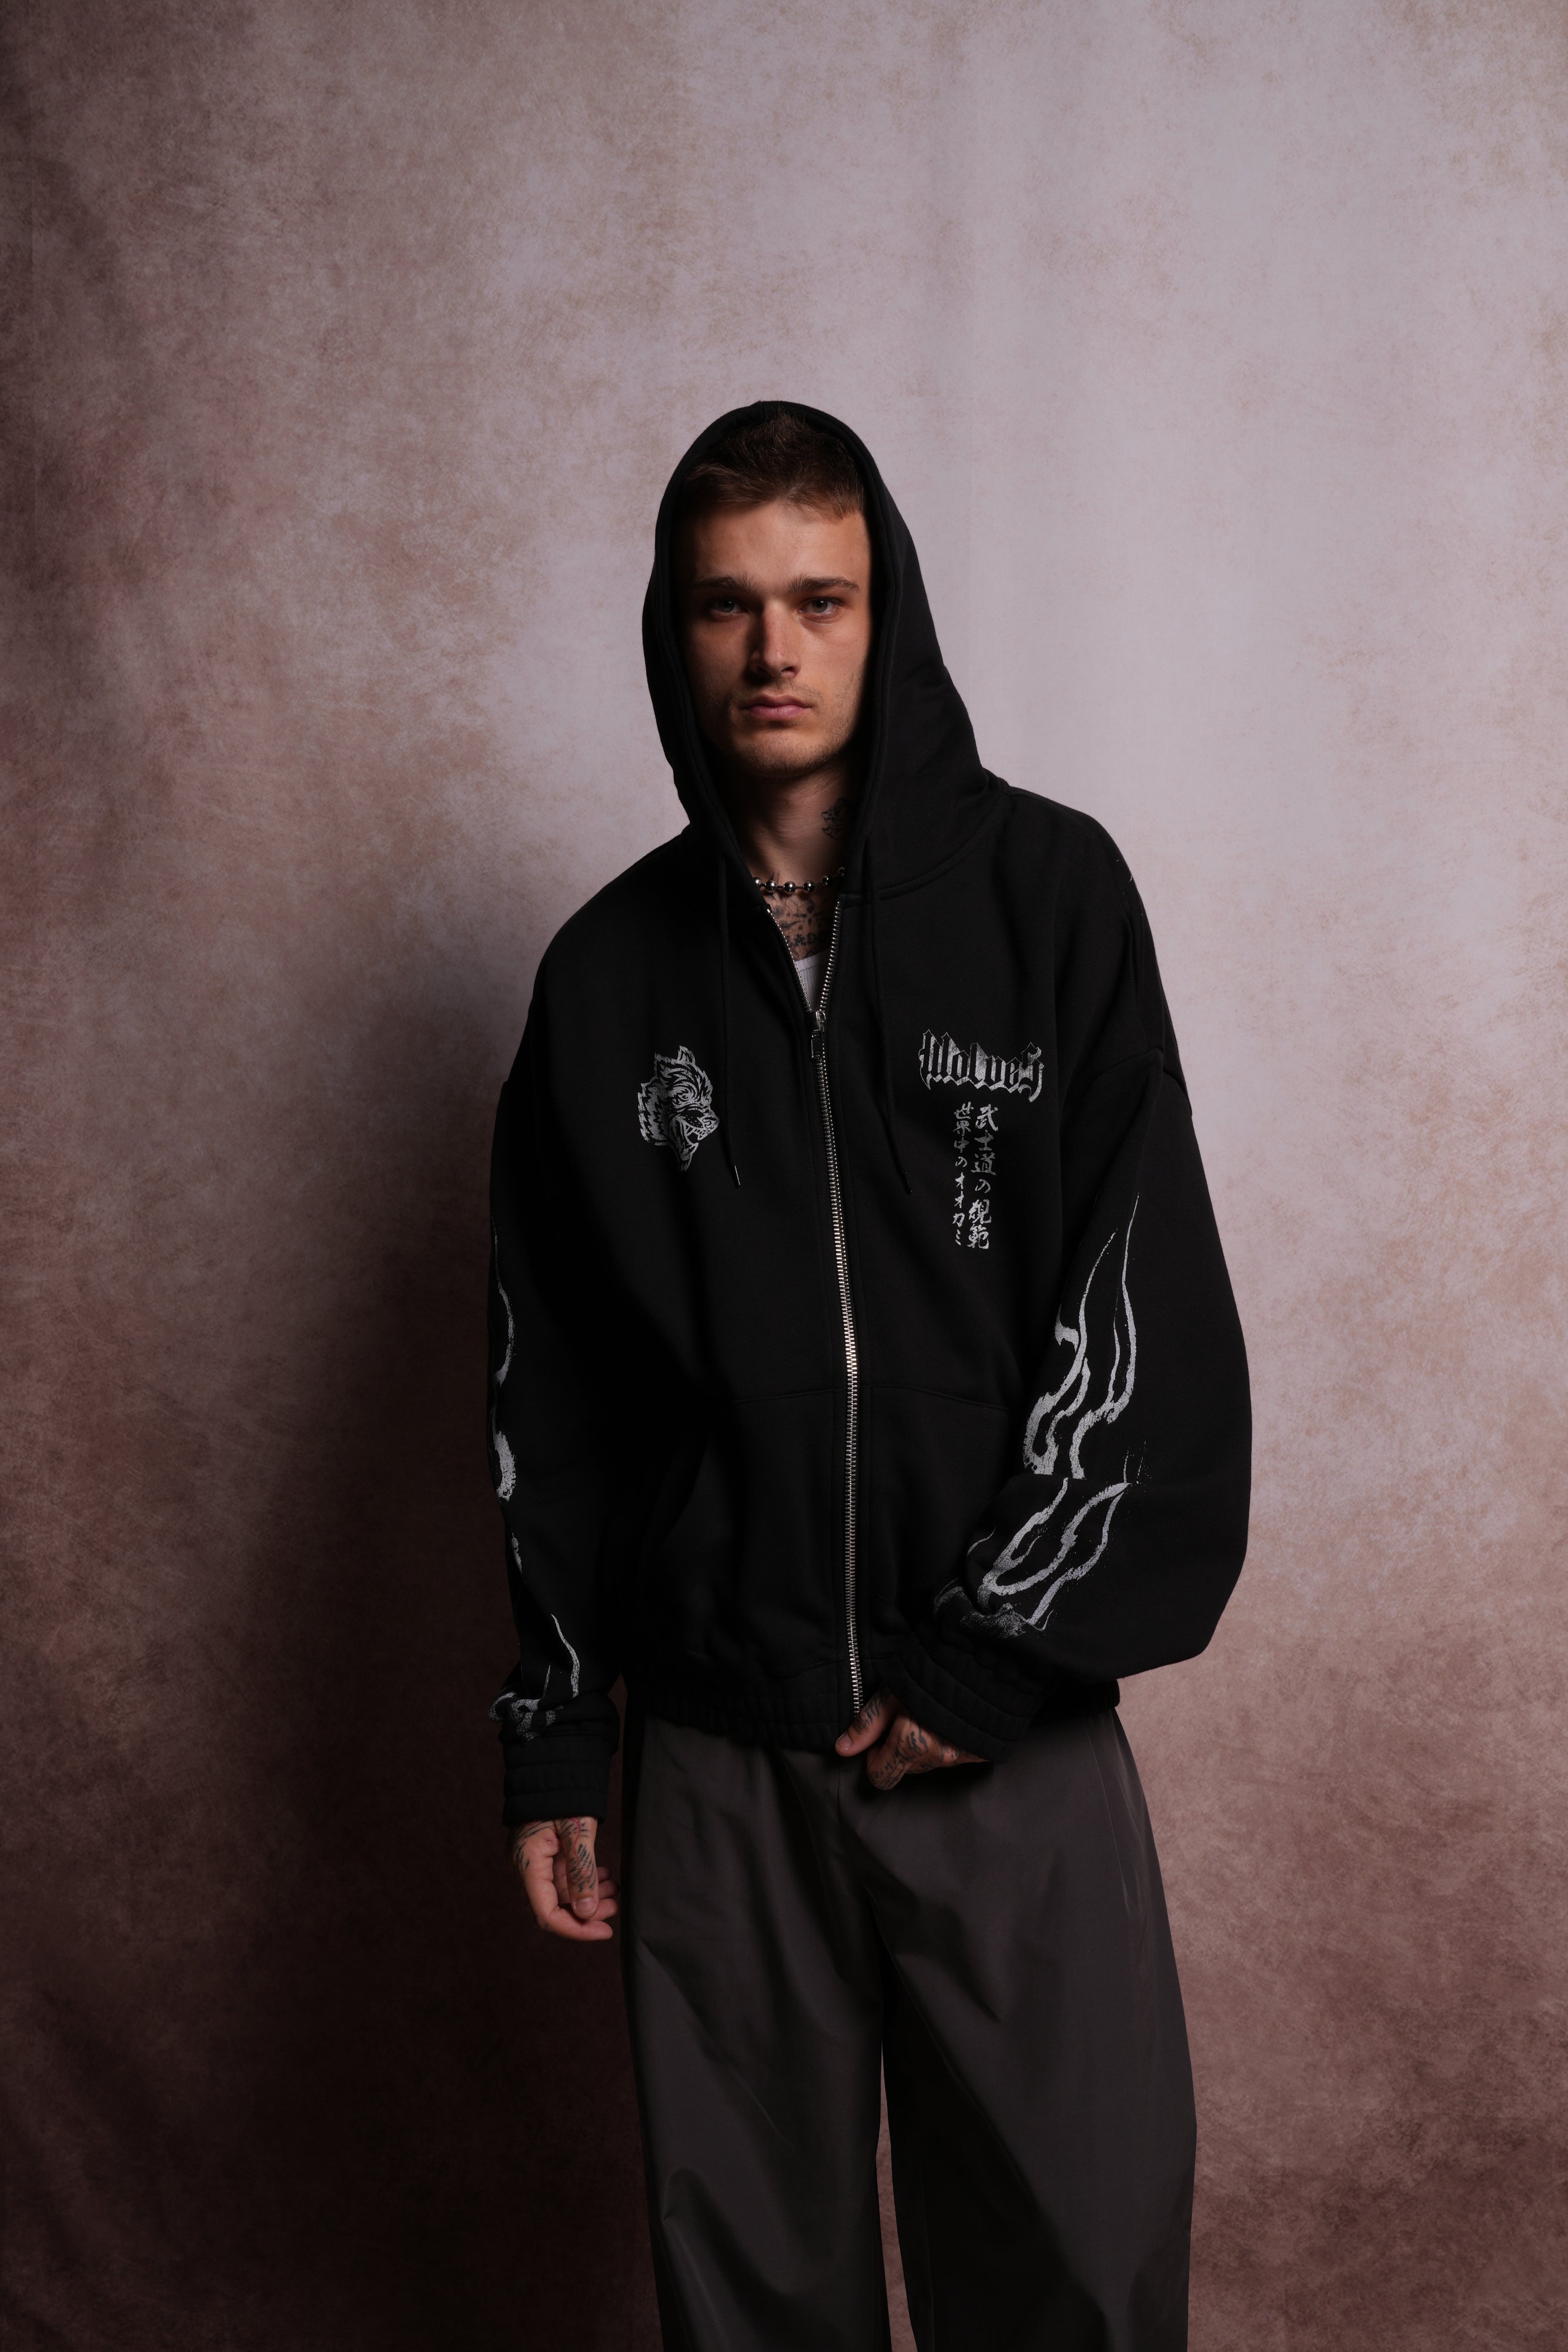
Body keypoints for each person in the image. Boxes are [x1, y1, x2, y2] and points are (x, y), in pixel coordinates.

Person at [486, 402, 1251, 2351]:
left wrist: (992, 1655)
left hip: (1005, 1735)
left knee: (1074, 2280)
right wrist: (558, 1731)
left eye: (817, 599)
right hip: (719, 1756)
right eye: (724, 605)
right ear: (669, 630)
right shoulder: (604, 978)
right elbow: (546, 1393)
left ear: (883, 612)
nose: (772, 648)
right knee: (748, 2300)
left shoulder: (1047, 898)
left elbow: (1137, 1302)